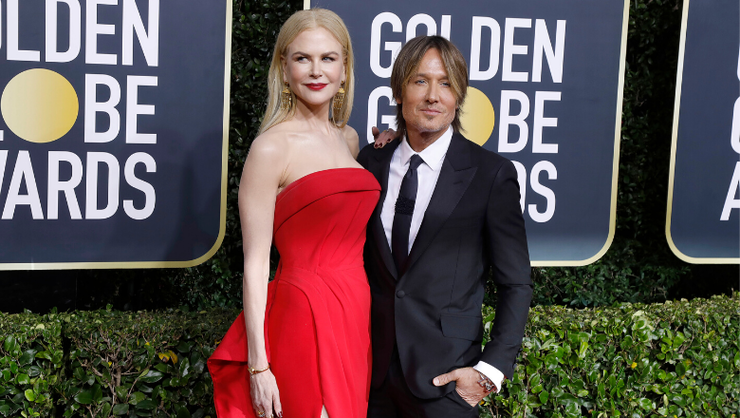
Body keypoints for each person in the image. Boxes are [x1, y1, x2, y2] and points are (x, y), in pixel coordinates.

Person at [208, 9, 383, 418]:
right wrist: (258, 365)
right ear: (284, 69)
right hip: (304, 312)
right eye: (303, 58)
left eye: (328, 58)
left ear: (344, 69)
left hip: (356, 311)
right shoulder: (271, 148)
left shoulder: (350, 139)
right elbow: (255, 265)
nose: (316, 70)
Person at [357, 35, 533, 418]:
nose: (433, 96)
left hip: (446, 385)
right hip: (368, 378)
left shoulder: (491, 175)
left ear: (459, 96)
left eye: (446, 83)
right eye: (420, 81)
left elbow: (517, 283)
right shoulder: (370, 162)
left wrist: (489, 372)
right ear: (399, 91)